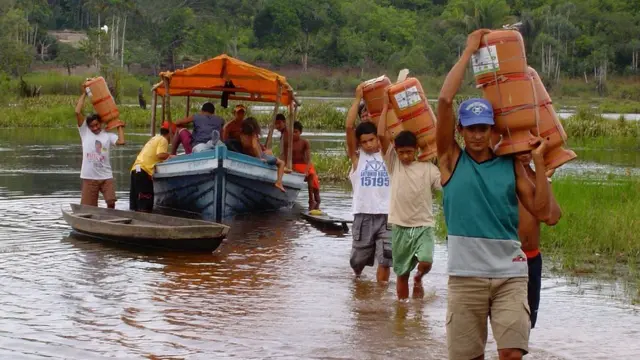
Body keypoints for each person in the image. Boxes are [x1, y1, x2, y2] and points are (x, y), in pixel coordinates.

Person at [436, 29, 557, 360]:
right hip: (465, 279)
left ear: (493, 130)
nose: (477, 135)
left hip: (510, 276)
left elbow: (545, 212)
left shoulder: (510, 165)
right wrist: (466, 53)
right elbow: (445, 101)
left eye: (484, 128)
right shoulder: (450, 162)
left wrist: (538, 163)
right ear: (460, 131)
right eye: (471, 129)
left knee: (512, 355)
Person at [378, 91, 442, 300]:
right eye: (402, 152)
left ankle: (420, 277)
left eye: (409, 152)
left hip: (423, 225)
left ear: (416, 149)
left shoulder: (428, 168)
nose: (405, 156)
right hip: (400, 225)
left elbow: (444, 184)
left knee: (426, 261)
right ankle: (402, 311)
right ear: (395, 151)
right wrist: (386, 107)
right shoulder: (393, 164)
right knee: (401, 272)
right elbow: (381, 135)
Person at [346, 83, 392, 283]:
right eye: (364, 142)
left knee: (386, 259)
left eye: (372, 140)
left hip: (387, 216)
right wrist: (357, 99)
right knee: (358, 261)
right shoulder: (357, 158)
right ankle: (357, 281)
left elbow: (384, 132)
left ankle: (380, 297)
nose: (369, 144)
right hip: (363, 215)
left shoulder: (389, 155)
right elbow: (349, 127)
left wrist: (384, 106)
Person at [515, 153, 562, 329]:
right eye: (522, 150)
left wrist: (543, 177)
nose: (525, 155)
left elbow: (553, 217)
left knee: (528, 320)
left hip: (532, 259)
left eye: (530, 151)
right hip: (508, 258)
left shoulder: (538, 178)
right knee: (506, 317)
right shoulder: (506, 177)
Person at [75, 91, 125, 209]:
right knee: (88, 207)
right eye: (92, 126)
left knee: (111, 202)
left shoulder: (107, 135)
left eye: (97, 125)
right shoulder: (85, 132)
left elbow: (121, 142)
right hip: (89, 177)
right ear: (88, 127)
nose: (95, 128)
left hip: (106, 176)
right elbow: (77, 112)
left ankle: (109, 219)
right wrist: (84, 93)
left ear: (101, 123)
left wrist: (119, 127)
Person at [129, 122, 174, 212]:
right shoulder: (163, 140)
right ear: (170, 133)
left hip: (135, 170)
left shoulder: (154, 138)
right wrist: (171, 156)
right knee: (145, 204)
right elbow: (160, 155)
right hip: (143, 172)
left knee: (135, 205)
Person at [239, 117, 286, 192]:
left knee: (269, 152)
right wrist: (259, 159)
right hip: (259, 156)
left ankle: (282, 172)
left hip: (251, 155)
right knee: (282, 163)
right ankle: (279, 182)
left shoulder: (241, 135)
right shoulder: (253, 134)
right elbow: (254, 147)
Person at [289, 121, 321, 210]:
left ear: (300, 132)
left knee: (317, 195)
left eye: (296, 132)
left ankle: (312, 200)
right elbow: (285, 155)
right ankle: (311, 200)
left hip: (304, 166)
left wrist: (306, 170)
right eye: (292, 132)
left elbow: (309, 159)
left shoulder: (304, 142)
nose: (294, 134)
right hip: (293, 166)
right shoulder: (289, 142)